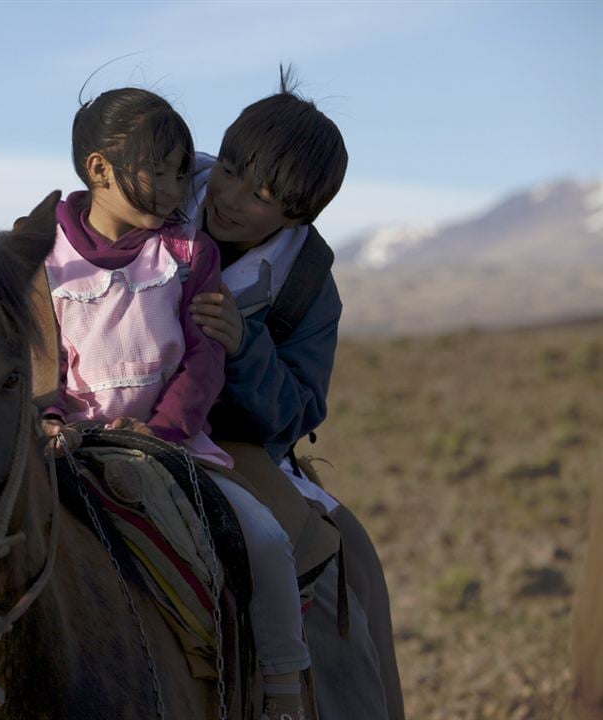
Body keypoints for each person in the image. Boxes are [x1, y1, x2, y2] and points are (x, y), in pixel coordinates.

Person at [38, 86, 311, 720]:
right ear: (99, 168)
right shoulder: (41, 259)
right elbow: (32, 356)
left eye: (180, 171)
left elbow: (202, 357)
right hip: (63, 448)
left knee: (266, 541)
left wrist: (165, 429)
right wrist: (50, 420)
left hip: (171, 447)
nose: (172, 188)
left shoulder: (189, 254)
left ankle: (280, 692)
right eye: (154, 171)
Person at [186, 68, 403, 719]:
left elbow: (297, 413)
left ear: (294, 214)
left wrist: (242, 349)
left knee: (320, 561)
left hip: (226, 446)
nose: (227, 197)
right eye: (227, 168)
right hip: (91, 412)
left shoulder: (307, 285)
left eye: (259, 195)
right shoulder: (156, 188)